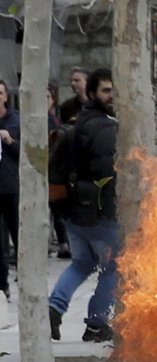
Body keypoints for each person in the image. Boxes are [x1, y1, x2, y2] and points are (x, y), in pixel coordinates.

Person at [48, 68, 121, 343]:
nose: (111, 95)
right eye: (105, 90)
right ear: (91, 93)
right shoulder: (105, 127)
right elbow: (111, 174)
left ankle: (54, 309)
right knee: (116, 266)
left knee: (82, 263)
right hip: (98, 215)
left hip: (73, 211)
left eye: (114, 90)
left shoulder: (79, 121)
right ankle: (96, 323)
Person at [0, 79, 20, 300]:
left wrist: (10, 141)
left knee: (18, 236)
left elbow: (26, 152)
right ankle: (2, 284)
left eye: (0, 93)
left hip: (13, 189)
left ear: (6, 96)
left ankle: (24, 278)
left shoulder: (15, 121)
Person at [48, 79, 71, 259]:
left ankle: (64, 242)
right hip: (46, 170)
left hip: (56, 172)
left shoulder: (56, 119)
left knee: (58, 211)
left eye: (47, 97)